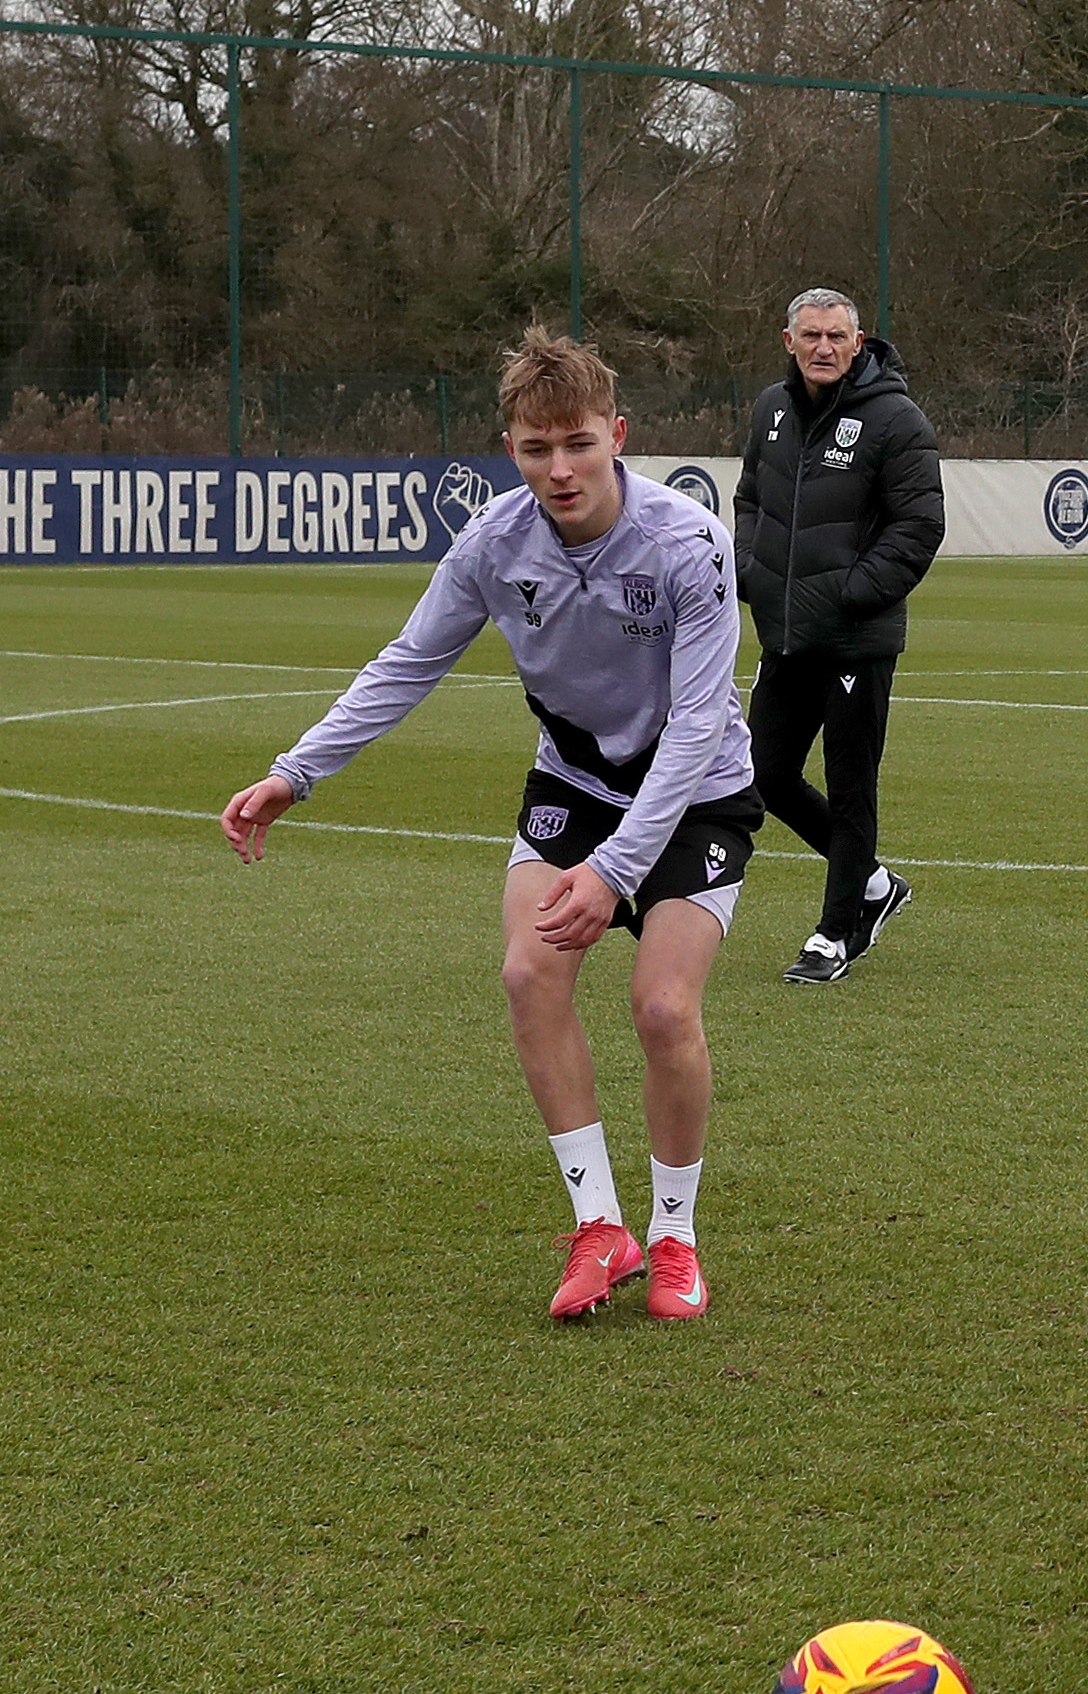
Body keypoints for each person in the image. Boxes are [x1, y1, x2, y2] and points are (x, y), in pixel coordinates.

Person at [218, 331, 759, 1322]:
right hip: (574, 779)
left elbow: (693, 727)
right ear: (507, 445)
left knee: (662, 1009)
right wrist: (295, 771)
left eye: (579, 444)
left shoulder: (689, 544)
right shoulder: (491, 544)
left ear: (617, 436)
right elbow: (408, 659)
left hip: (694, 787)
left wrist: (612, 872)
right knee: (526, 971)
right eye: (534, 447)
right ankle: (602, 1227)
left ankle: (676, 1236)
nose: (558, 469)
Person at [734, 288, 946, 985]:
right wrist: (753, 573)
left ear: (859, 343)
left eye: (836, 336)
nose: (823, 347)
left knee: (851, 787)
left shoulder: (896, 418)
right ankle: (875, 884)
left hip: (856, 640)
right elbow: (749, 500)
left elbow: (918, 527)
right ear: (787, 340)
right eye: (810, 335)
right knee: (762, 773)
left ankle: (837, 930)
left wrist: (851, 594)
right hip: (786, 633)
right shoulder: (770, 409)